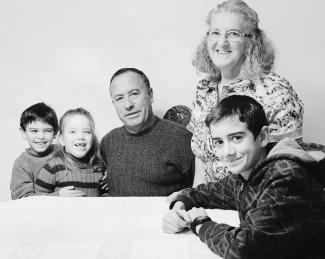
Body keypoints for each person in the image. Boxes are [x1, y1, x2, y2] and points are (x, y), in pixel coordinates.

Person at [162, 95, 325, 259]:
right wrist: (180, 207)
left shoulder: (285, 175)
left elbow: (247, 249)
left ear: (263, 136)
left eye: (237, 138)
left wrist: (200, 223)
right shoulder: (245, 174)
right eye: (219, 142)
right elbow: (207, 193)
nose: (228, 152)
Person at [188, 0, 304, 185]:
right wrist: (193, 199)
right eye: (215, 32)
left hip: (255, 204)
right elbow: (202, 159)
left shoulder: (274, 91)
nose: (222, 42)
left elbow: (288, 168)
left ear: (251, 42)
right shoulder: (205, 89)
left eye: (233, 34)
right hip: (209, 202)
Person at [100, 67, 194, 196]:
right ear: (114, 104)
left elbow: (201, 192)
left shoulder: (181, 138)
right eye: (119, 98)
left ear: (150, 95)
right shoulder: (108, 142)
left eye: (134, 94)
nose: (128, 105)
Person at [35, 108, 107, 197]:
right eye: (73, 132)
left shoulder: (98, 168)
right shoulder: (52, 168)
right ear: (62, 139)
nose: (80, 136)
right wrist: (58, 195)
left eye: (87, 132)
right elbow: (36, 200)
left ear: (93, 137)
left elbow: (105, 197)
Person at [10, 102, 59, 199]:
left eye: (47, 131)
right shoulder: (22, 164)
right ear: (23, 132)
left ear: (55, 132)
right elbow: (23, 199)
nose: (41, 137)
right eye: (34, 131)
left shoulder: (63, 152)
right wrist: (59, 196)